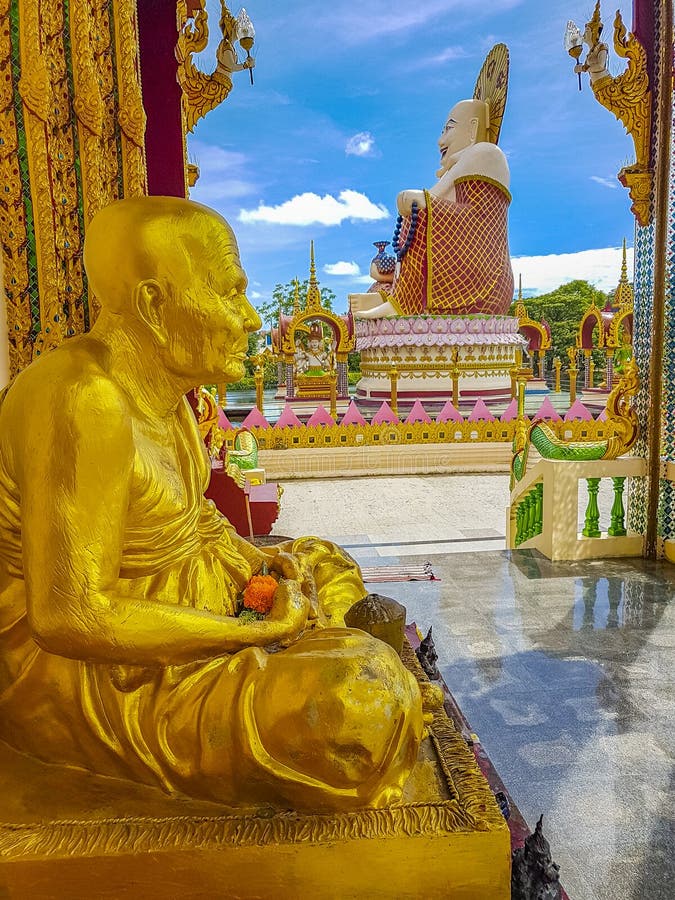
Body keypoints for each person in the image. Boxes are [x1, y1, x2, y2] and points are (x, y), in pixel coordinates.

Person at [0, 197, 422, 811]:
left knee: (319, 559)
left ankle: (332, 654)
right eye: (231, 294)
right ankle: (341, 671)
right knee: (354, 709)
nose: (251, 317)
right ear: (153, 305)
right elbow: (70, 618)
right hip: (98, 671)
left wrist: (263, 563)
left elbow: (193, 519)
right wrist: (243, 634)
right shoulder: (80, 399)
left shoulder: (168, 393)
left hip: (184, 599)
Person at [350, 97, 513, 319]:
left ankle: (402, 303)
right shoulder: (461, 164)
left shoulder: (485, 152)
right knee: (380, 281)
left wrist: (419, 200)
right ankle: (394, 295)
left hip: (483, 281)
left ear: (473, 128)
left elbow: (468, 216)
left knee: (421, 211)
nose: (440, 141)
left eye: (448, 129)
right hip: (458, 271)